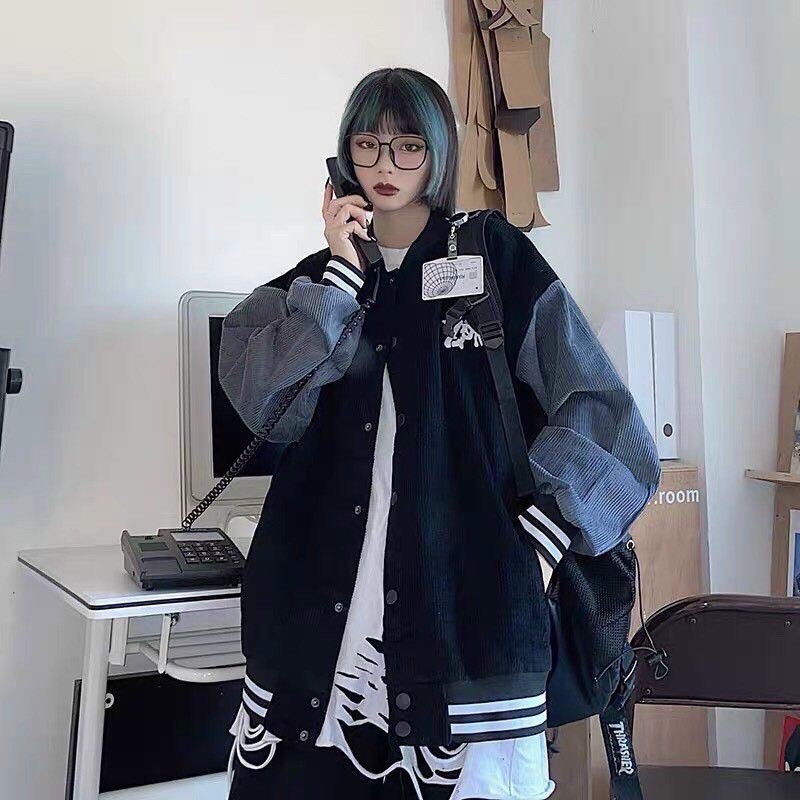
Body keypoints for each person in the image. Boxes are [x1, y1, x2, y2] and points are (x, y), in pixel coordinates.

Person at [218, 67, 661, 800]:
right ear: (343, 159)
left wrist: (540, 538)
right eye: (367, 145)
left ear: (439, 154)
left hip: (464, 614)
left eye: (408, 146)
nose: (385, 165)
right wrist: (339, 281)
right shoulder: (312, 286)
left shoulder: (492, 256)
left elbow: (605, 412)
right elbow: (266, 407)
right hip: (314, 625)